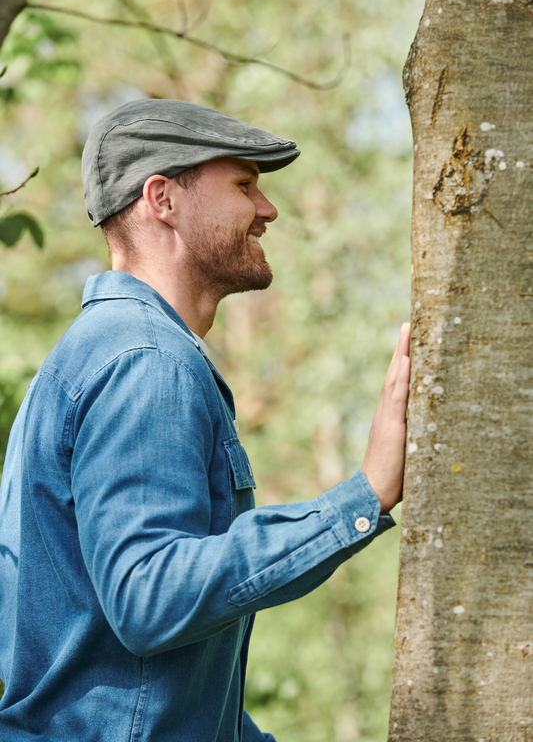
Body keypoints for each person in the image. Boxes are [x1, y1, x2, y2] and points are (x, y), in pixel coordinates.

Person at [0, 99, 410, 741]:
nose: (268, 209)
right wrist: (361, 498)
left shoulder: (87, 356)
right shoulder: (146, 361)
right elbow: (149, 599)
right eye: (244, 185)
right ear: (162, 199)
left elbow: (137, 685)